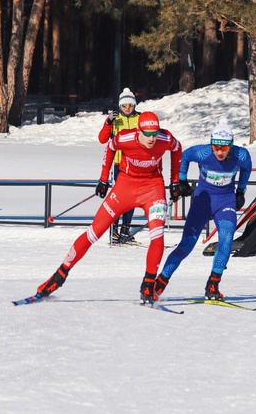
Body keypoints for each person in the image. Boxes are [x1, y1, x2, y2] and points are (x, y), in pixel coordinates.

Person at [36, 111, 183, 302]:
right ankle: (59, 275)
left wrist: (175, 181)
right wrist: (104, 179)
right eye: (147, 134)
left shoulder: (165, 138)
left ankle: (148, 283)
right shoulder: (125, 138)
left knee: (157, 235)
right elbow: (109, 147)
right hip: (125, 187)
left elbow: (177, 149)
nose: (152, 138)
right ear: (138, 130)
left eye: (154, 133)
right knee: (94, 232)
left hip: (152, 188)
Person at [154, 119, 252, 300]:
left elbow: (247, 168)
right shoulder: (203, 152)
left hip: (225, 202)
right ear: (211, 144)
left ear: (231, 145)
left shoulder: (241, 155)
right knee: (187, 244)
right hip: (203, 201)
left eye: (223, 148)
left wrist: (241, 191)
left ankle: (213, 284)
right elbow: (184, 156)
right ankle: (160, 282)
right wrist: (181, 180)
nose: (219, 152)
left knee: (227, 237)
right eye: (215, 147)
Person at [98, 88, 140, 243]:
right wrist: (108, 122)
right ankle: (114, 229)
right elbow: (102, 139)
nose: (127, 108)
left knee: (132, 197)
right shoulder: (115, 118)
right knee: (118, 197)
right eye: (124, 105)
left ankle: (125, 229)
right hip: (119, 163)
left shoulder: (140, 118)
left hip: (137, 163)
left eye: (130, 105)